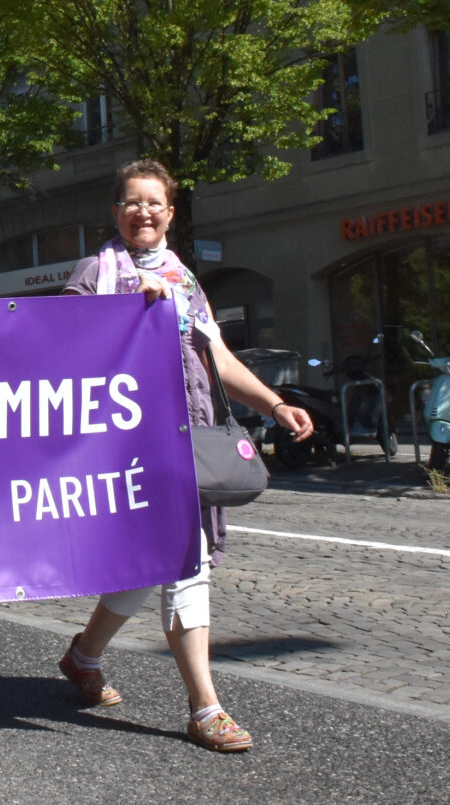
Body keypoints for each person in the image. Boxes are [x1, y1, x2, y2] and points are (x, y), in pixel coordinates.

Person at [54, 158, 313, 753]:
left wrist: (276, 405)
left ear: (170, 214)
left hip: (184, 436)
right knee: (168, 558)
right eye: (131, 202)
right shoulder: (97, 272)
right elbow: (59, 350)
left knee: (173, 557)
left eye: (154, 203)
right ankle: (205, 707)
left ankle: (85, 656)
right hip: (124, 445)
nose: (142, 212)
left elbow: (216, 359)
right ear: (115, 212)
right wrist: (126, 313)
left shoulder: (185, 279)